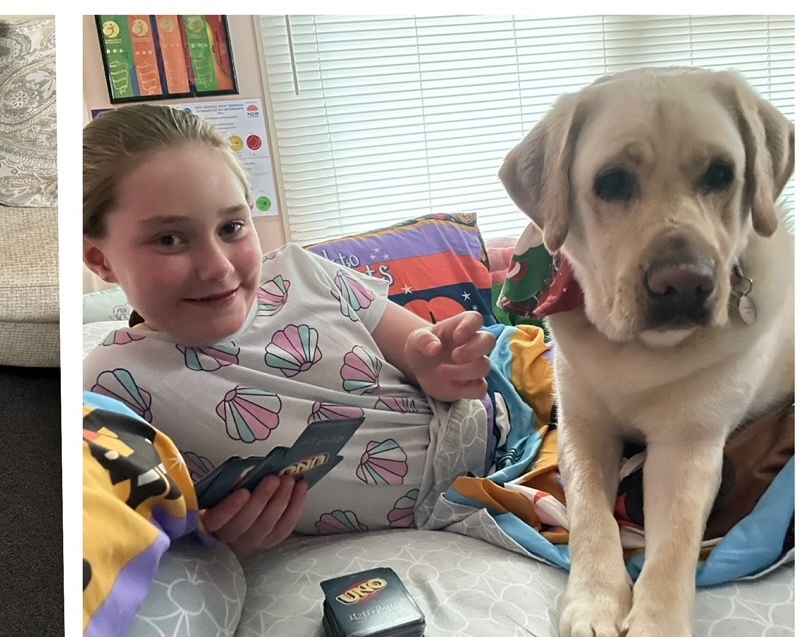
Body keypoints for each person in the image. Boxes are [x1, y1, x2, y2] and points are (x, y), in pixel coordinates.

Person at [82, 104, 498, 555]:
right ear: (100, 260)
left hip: (508, 411)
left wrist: (435, 366)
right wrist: (209, 537)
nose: (219, 268)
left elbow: (427, 350)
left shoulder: (301, 271)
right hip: (464, 500)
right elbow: (131, 535)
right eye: (169, 240)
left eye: (232, 227)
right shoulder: (110, 385)